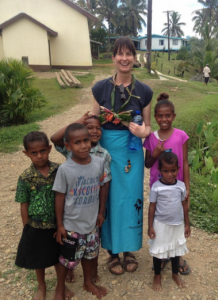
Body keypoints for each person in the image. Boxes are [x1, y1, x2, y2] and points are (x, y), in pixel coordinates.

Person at [92, 37, 153, 275]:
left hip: (132, 152)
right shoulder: (100, 88)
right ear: (113, 58)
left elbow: (148, 126)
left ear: (135, 58)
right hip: (107, 152)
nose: (125, 58)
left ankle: (129, 249)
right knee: (108, 198)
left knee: (130, 198)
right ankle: (112, 252)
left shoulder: (144, 91)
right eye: (120, 54)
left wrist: (142, 131)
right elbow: (93, 122)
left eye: (129, 54)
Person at [51, 114, 112, 283]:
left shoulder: (100, 161)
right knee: (68, 257)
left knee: (91, 253)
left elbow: (103, 185)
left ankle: (88, 282)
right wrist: (60, 224)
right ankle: (60, 288)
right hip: (72, 223)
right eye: (77, 143)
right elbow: (59, 196)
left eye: (86, 140)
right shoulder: (65, 169)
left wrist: (101, 213)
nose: (84, 146)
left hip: (92, 221)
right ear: (68, 146)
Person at [15, 131, 74, 300]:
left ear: (49, 149)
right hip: (36, 225)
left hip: (58, 223)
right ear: (26, 154)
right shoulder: (26, 177)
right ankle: (41, 286)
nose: (39, 156)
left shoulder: (59, 170)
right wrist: (27, 227)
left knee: (58, 255)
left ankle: (60, 286)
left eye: (43, 151)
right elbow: (24, 204)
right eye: (34, 153)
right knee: (37, 257)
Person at [144, 95, 191, 275]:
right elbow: (147, 163)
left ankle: (176, 257)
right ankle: (161, 255)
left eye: (168, 115)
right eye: (160, 116)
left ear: (174, 116)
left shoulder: (181, 136)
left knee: (178, 220)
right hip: (159, 188)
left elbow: (185, 162)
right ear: (155, 117)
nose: (164, 119)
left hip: (177, 188)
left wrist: (187, 186)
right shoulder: (151, 137)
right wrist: (155, 153)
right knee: (160, 222)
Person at [148, 151, 190, 291]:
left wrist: (187, 223)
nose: (170, 174)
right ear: (160, 171)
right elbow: (152, 207)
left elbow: (184, 205)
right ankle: (157, 276)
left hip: (177, 224)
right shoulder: (156, 187)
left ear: (178, 169)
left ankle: (175, 274)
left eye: (173, 170)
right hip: (160, 225)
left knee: (176, 250)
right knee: (158, 251)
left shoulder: (181, 186)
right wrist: (150, 226)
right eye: (166, 171)